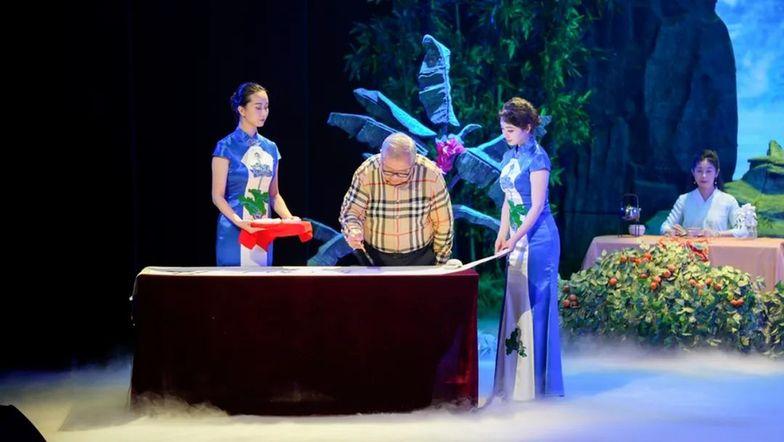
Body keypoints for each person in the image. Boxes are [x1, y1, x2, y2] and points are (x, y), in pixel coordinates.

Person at [493, 97, 564, 400]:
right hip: (516, 236)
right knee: (516, 302)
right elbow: (508, 198)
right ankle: (514, 380)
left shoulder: (538, 158)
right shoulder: (510, 155)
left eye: (510, 130)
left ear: (528, 127)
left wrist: (516, 238)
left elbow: (536, 207)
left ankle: (538, 384)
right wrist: (502, 233)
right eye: (503, 129)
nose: (505, 135)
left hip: (539, 240)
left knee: (537, 306)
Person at [211, 82, 297, 266]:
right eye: (258, 107)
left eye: (266, 107)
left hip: (263, 230)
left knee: (262, 280)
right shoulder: (225, 146)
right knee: (234, 281)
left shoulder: (271, 148)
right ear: (242, 110)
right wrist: (240, 222)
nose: (264, 112)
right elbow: (217, 196)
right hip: (234, 229)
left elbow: (274, 195)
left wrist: (289, 218)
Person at [339, 132, 454, 266]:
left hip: (420, 256)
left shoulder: (431, 175)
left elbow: (443, 223)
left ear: (414, 162)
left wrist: (440, 262)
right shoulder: (366, 172)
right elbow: (351, 212)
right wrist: (353, 230)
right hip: (374, 257)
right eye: (387, 171)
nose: (394, 178)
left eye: (403, 173)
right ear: (381, 156)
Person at [660, 149, 747, 238]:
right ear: (693, 172)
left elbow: (742, 230)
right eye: (699, 171)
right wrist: (671, 231)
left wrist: (717, 234)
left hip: (719, 246)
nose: (704, 176)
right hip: (690, 247)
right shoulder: (684, 199)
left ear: (716, 173)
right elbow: (665, 226)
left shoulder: (728, 200)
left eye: (708, 171)